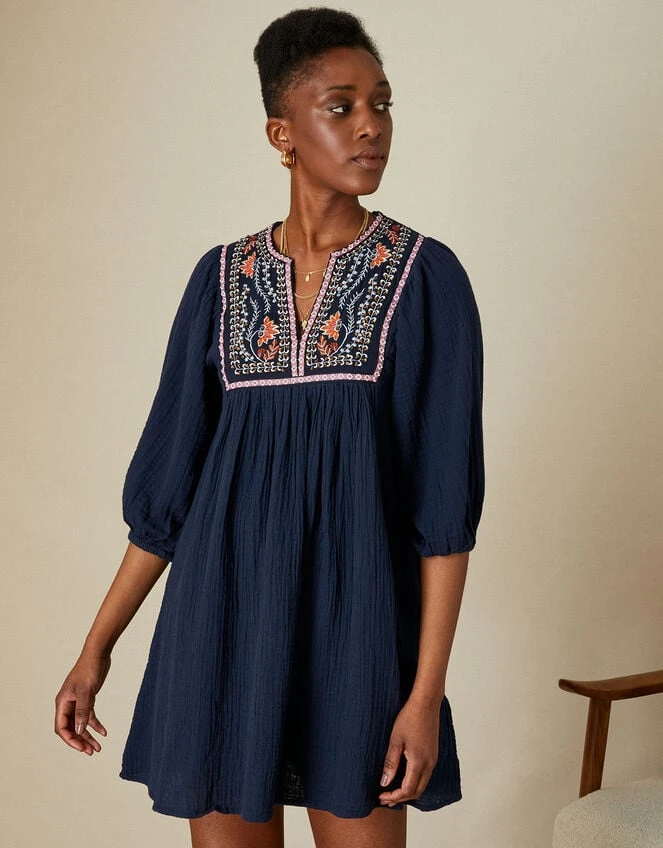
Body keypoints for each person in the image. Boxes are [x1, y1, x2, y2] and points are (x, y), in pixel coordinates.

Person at [54, 7, 485, 848]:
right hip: (219, 630)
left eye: (382, 104)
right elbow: (167, 501)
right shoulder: (220, 280)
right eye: (341, 106)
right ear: (281, 134)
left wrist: (423, 695)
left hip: (357, 636)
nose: (371, 125)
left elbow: (442, 516)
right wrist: (95, 650)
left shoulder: (424, 278)